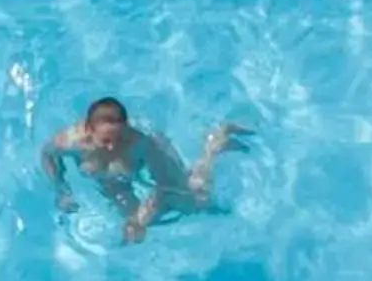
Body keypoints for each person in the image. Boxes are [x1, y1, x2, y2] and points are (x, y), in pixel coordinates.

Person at [40, 97, 246, 243]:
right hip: (112, 183)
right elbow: (47, 155)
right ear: (89, 129)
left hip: (150, 164)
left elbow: (166, 187)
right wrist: (62, 192)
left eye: (119, 137)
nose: (113, 147)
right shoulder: (69, 142)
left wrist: (142, 217)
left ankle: (215, 143)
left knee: (194, 200)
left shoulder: (142, 144)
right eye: (105, 140)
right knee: (133, 229)